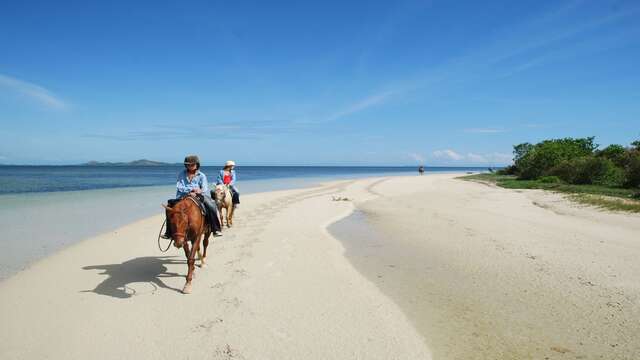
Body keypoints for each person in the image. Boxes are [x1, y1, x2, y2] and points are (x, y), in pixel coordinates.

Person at [162, 155, 222, 239]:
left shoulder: (202, 175)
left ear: (197, 164)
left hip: (198, 196)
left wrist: (198, 191)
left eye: (192, 165)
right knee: (169, 207)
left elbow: (204, 188)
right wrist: (191, 190)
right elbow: (179, 186)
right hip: (182, 196)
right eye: (188, 165)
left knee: (211, 205)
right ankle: (168, 232)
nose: (190, 166)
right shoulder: (181, 174)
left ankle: (216, 229)